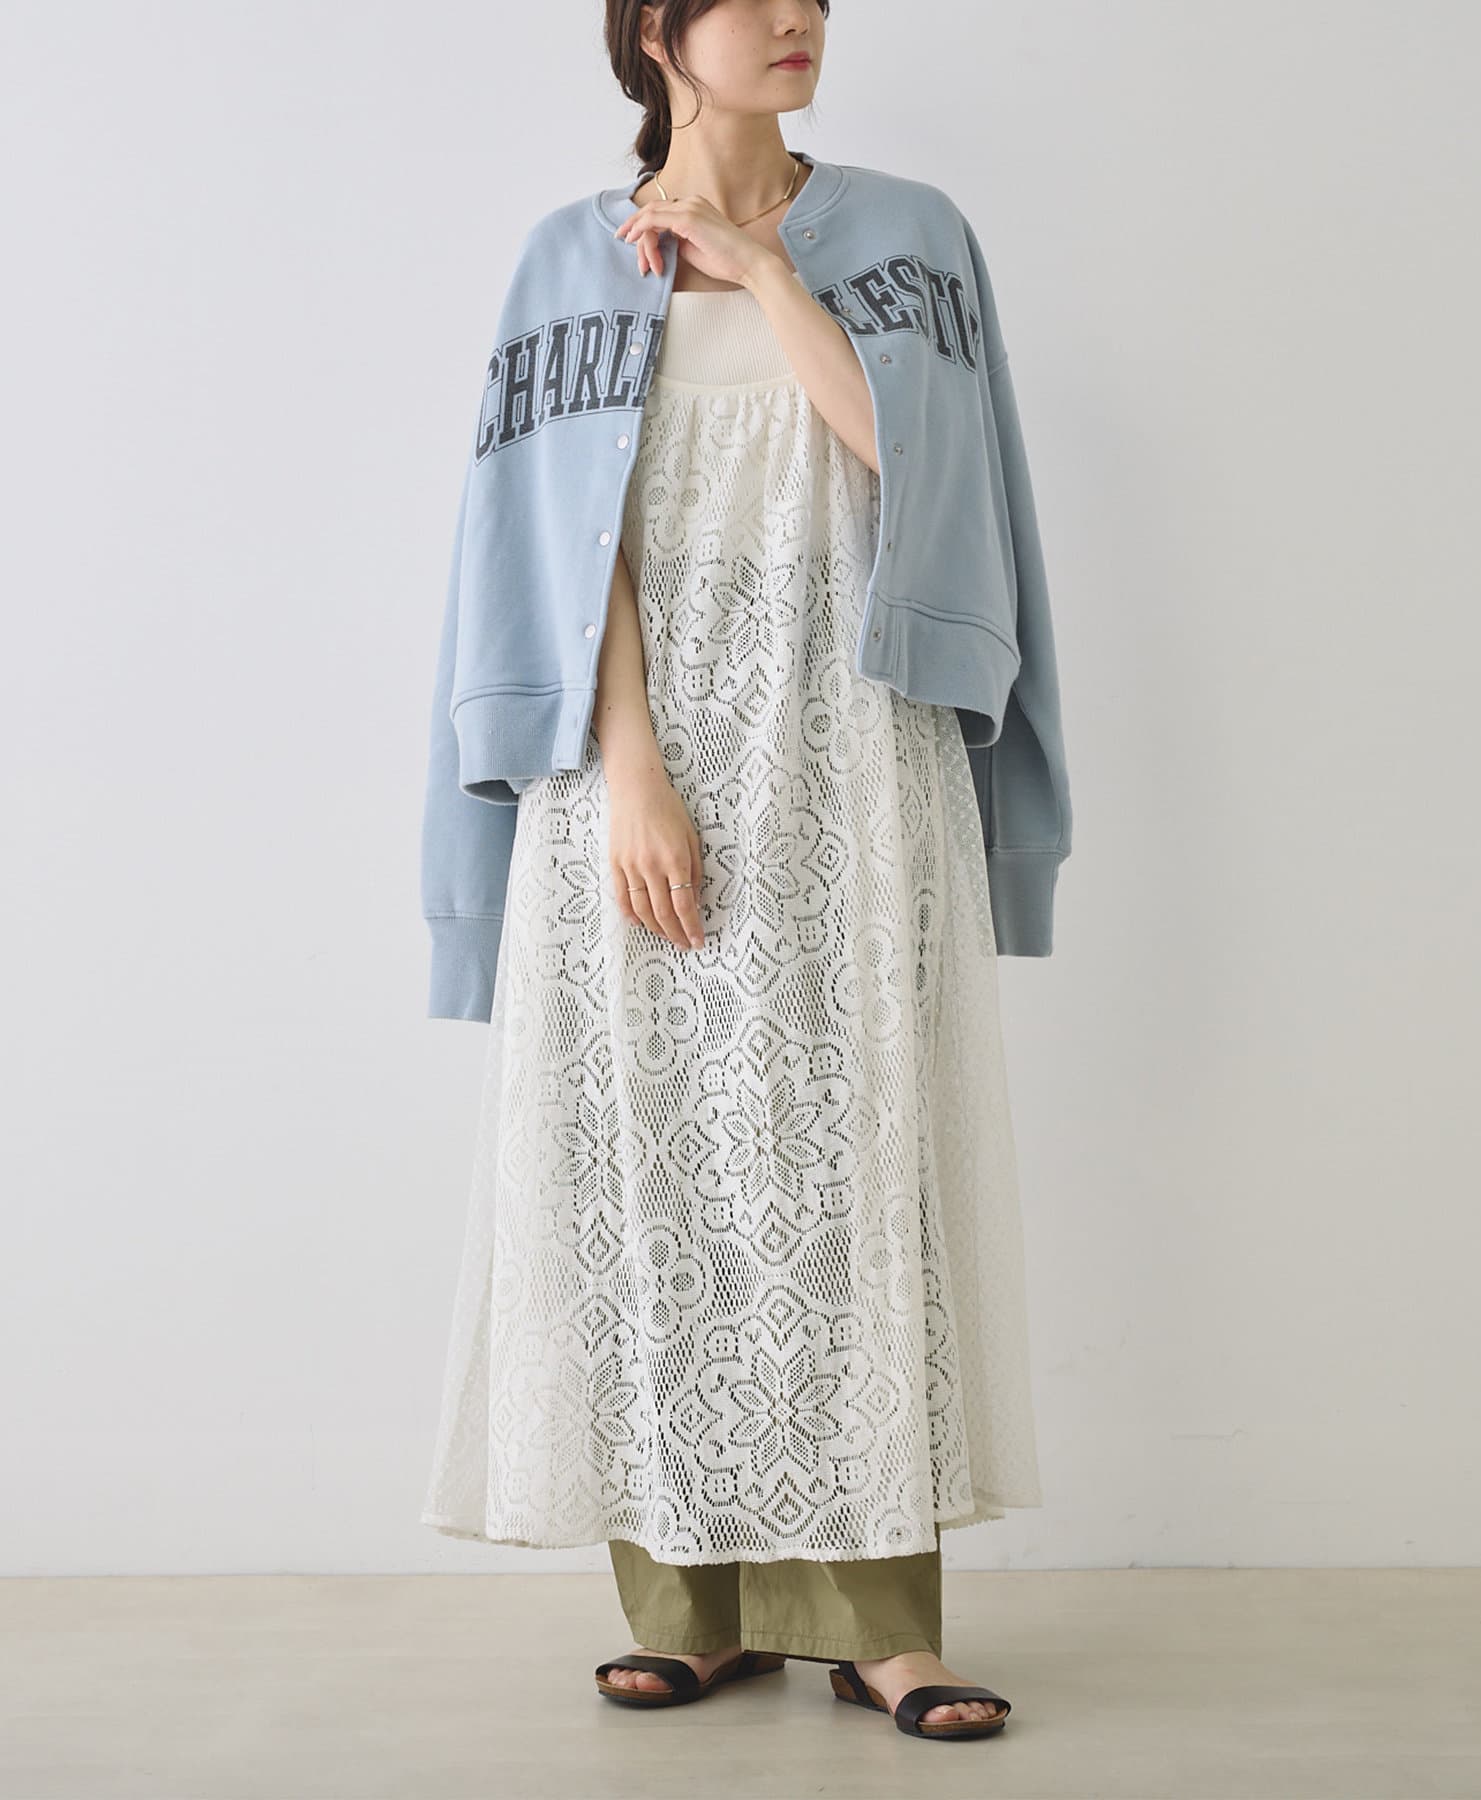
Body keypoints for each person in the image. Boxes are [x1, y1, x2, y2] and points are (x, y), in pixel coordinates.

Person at [419, 0, 1068, 1745]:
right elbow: (561, 548)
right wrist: (630, 768)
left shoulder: (910, 236)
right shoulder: (566, 262)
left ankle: (883, 1629)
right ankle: (688, 1608)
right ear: (655, 32)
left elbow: (932, 476)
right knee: (655, 1167)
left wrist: (763, 270)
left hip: (852, 741)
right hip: (637, 764)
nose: (797, 20)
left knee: (859, 1163)